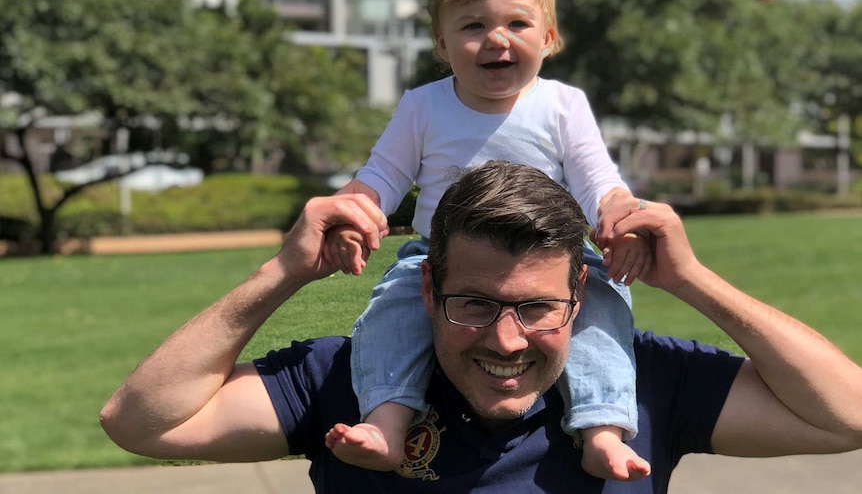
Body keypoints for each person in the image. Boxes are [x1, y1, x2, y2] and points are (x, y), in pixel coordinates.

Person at [101, 161, 862, 494]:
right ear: (425, 286)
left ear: (582, 295)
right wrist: (285, 271)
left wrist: (690, 280)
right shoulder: (352, 380)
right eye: (473, 303)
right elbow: (139, 420)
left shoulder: (642, 380)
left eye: (536, 307)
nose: (504, 341)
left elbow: (847, 414)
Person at [324, 0, 650, 480]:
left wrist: (618, 211)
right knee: (391, 315)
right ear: (441, 44)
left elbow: (598, 179)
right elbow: (384, 172)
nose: (496, 39)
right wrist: (358, 204)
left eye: (516, 24)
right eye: (473, 25)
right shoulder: (423, 106)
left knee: (600, 315)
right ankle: (386, 422)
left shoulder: (562, 105)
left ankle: (602, 429)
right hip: (439, 258)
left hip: (550, 264)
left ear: (548, 36)